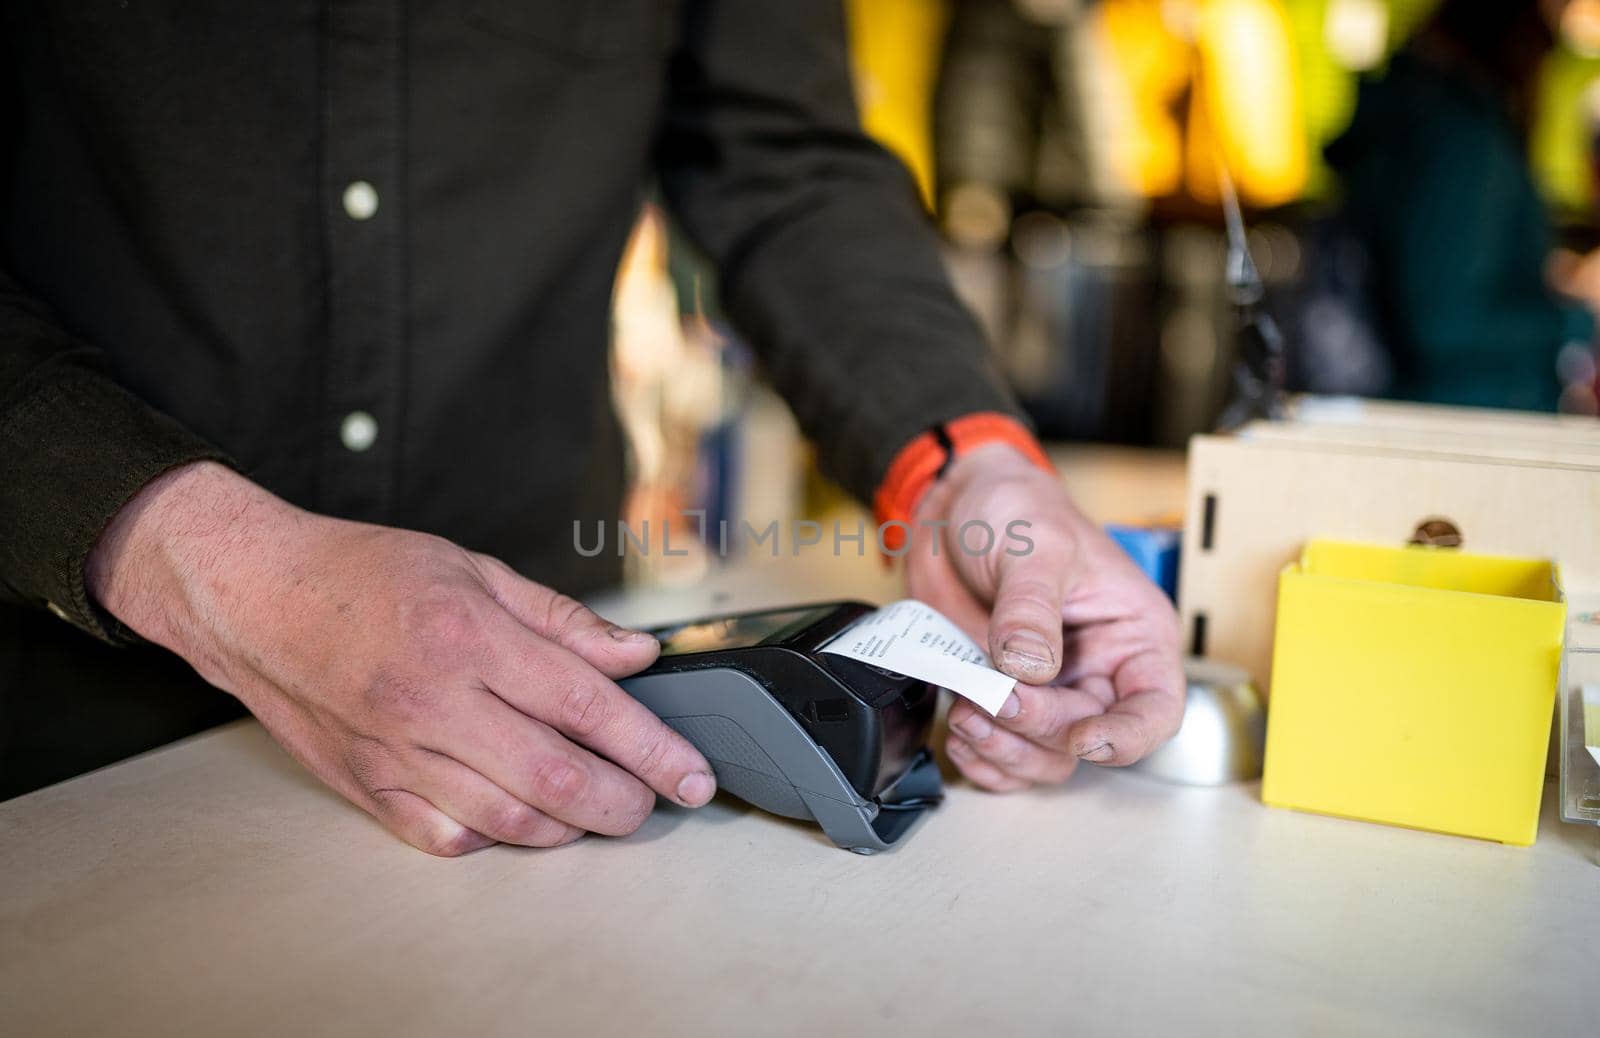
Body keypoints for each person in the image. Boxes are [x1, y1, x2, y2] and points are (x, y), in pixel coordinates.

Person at [0, 3, 1182, 854]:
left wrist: (963, 465)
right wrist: (187, 548)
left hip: (548, 724)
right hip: (56, 742)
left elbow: (783, 155)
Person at [1324, 0, 1593, 411]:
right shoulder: (1468, 143)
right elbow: (1444, 320)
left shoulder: (1420, 120)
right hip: (1462, 417)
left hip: (1413, 408)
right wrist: (1576, 316)